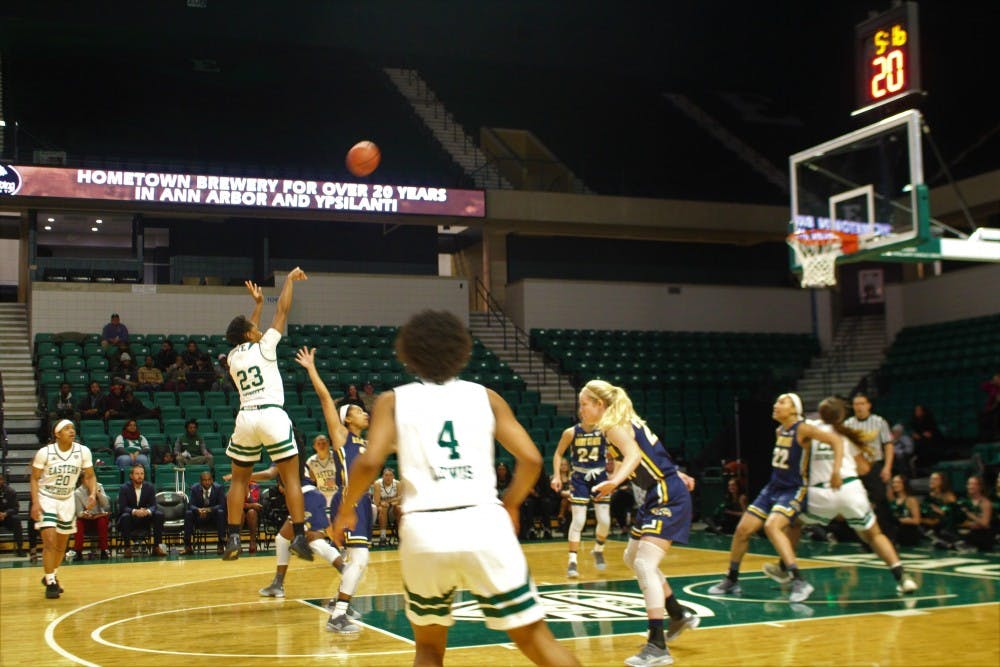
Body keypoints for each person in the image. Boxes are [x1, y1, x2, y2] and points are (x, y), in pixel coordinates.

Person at [330, 310, 579, 666]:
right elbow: (532, 459)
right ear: (463, 351)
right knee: (536, 640)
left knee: (429, 650)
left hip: (424, 530)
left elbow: (369, 462)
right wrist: (510, 505)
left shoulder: (392, 400)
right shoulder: (486, 397)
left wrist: (345, 509)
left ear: (408, 354)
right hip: (483, 521)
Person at [577, 380, 697, 667]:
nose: (579, 409)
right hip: (657, 493)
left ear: (599, 405)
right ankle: (677, 614)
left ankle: (657, 645)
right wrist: (614, 480)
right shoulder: (620, 422)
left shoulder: (612, 425)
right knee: (631, 557)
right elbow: (638, 459)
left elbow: (635, 455)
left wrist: (615, 481)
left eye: (583, 403)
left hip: (666, 496)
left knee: (644, 564)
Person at [765, 397, 918, 594]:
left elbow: (789, 428)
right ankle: (902, 577)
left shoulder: (811, 428)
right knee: (875, 535)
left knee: (795, 524)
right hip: (850, 490)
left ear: (820, 413)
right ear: (842, 416)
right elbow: (863, 469)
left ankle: (784, 568)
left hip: (821, 492)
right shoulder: (846, 434)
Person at [707, 393, 843, 604]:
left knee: (772, 526)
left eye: (782, 402)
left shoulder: (803, 428)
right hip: (772, 488)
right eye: (776, 401)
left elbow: (835, 440)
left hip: (793, 489)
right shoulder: (780, 430)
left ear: (794, 409)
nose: (775, 405)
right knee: (742, 530)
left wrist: (836, 471)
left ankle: (800, 580)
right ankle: (732, 579)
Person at [222, 271, 312, 561]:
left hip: (246, 416)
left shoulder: (234, 357)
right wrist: (287, 281)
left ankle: (233, 537)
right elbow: (283, 310)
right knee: (291, 479)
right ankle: (299, 535)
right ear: (249, 334)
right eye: (253, 328)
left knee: (239, 481)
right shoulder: (266, 346)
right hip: (272, 414)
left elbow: (246, 334)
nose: (257, 329)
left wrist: (257, 306)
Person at [295, 345, 373, 634]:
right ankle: (338, 614)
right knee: (360, 560)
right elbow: (326, 399)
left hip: (363, 502)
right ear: (347, 420)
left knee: (357, 561)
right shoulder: (342, 437)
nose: (364, 413)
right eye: (357, 411)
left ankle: (337, 605)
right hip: (349, 502)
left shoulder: (368, 442)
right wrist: (311, 368)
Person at [250, 463, 352, 606]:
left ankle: (348, 572)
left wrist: (241, 478)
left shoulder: (282, 456)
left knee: (315, 542)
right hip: (309, 496)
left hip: (305, 497)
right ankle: (277, 584)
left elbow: (268, 474)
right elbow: (313, 478)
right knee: (282, 538)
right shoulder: (299, 459)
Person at [31, 419, 97, 598]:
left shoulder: (83, 451)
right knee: (50, 541)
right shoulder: (45, 453)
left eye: (73, 428)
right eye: (66, 428)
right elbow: (35, 478)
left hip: (67, 498)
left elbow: (90, 475)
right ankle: (51, 582)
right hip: (47, 497)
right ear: (57, 434)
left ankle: (52, 573)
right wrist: (35, 502)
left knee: (62, 545)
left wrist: (92, 494)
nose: (71, 431)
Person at [550, 411, 613, 578]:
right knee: (579, 520)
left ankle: (598, 549)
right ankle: (572, 560)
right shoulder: (571, 432)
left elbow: (619, 453)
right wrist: (556, 475)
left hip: (600, 475)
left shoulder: (605, 430)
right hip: (579, 476)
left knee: (605, 521)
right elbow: (558, 453)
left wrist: (615, 476)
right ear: (581, 414)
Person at [844, 394, 894, 530]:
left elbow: (888, 445)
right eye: (856, 404)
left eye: (861, 404)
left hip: (875, 465)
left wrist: (887, 467)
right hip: (855, 467)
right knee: (857, 501)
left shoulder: (879, 422)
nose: (859, 407)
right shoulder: (848, 424)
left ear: (868, 405)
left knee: (881, 499)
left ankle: (888, 532)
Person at [117, 464, 166, 557]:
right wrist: (135, 511)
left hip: (144, 518)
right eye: (137, 474)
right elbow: (123, 507)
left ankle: (156, 547)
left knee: (159, 515)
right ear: (131, 476)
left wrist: (147, 511)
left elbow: (154, 505)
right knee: (125, 516)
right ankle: (127, 548)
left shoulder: (149, 487)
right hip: (130, 518)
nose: (140, 476)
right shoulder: (124, 488)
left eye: (142, 474)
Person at [183, 470, 226, 555]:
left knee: (221, 512)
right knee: (189, 513)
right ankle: (188, 546)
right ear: (200, 481)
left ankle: (221, 545)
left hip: (213, 517)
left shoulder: (218, 488)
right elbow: (191, 505)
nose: (207, 482)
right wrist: (198, 510)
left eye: (209, 480)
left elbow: (222, 505)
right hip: (199, 517)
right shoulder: (194, 488)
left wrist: (209, 510)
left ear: (212, 480)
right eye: (204, 480)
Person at [71, 474, 111, 560]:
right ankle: (78, 552)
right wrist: (85, 512)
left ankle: (104, 551)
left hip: (98, 517)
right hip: (86, 519)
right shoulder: (77, 492)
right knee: (78, 523)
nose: (90, 481)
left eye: (92, 479)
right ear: (82, 480)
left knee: (102, 521)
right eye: (87, 479)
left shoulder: (99, 486)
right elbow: (78, 513)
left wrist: (98, 493)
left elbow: (105, 504)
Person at [956, 475, 993, 552]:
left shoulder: (985, 502)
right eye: (969, 484)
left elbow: (985, 523)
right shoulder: (964, 501)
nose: (970, 486)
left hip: (982, 535)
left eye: (974, 484)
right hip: (966, 531)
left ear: (980, 487)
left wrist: (970, 515)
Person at [886, 474, 923, 547]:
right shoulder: (893, 500)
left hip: (908, 533)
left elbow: (916, 520)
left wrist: (898, 520)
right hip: (895, 532)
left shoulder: (911, 500)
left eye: (898, 482)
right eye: (894, 482)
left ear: (904, 484)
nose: (895, 484)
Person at [304, 433, 339, 505]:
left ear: (329, 444)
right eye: (318, 444)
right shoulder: (311, 461)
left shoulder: (337, 458)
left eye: (324, 443)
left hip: (337, 495)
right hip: (321, 497)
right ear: (314, 446)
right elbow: (310, 480)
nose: (321, 445)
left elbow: (347, 474)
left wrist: (336, 480)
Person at [373, 467, 402, 546]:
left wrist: (389, 502)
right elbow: (376, 502)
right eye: (386, 475)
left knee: (399, 509)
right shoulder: (377, 484)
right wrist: (393, 500)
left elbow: (400, 500)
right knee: (383, 508)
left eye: (390, 475)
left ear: (393, 477)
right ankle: (383, 537)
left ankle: (400, 536)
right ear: (382, 476)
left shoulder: (398, 484)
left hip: (393, 508)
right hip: (380, 509)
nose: (388, 477)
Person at [0, 472, 26, 556]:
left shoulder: (10, 491)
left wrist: (5, 513)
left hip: (6, 517)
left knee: (17, 520)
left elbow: (15, 508)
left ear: (2, 480)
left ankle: (20, 549)